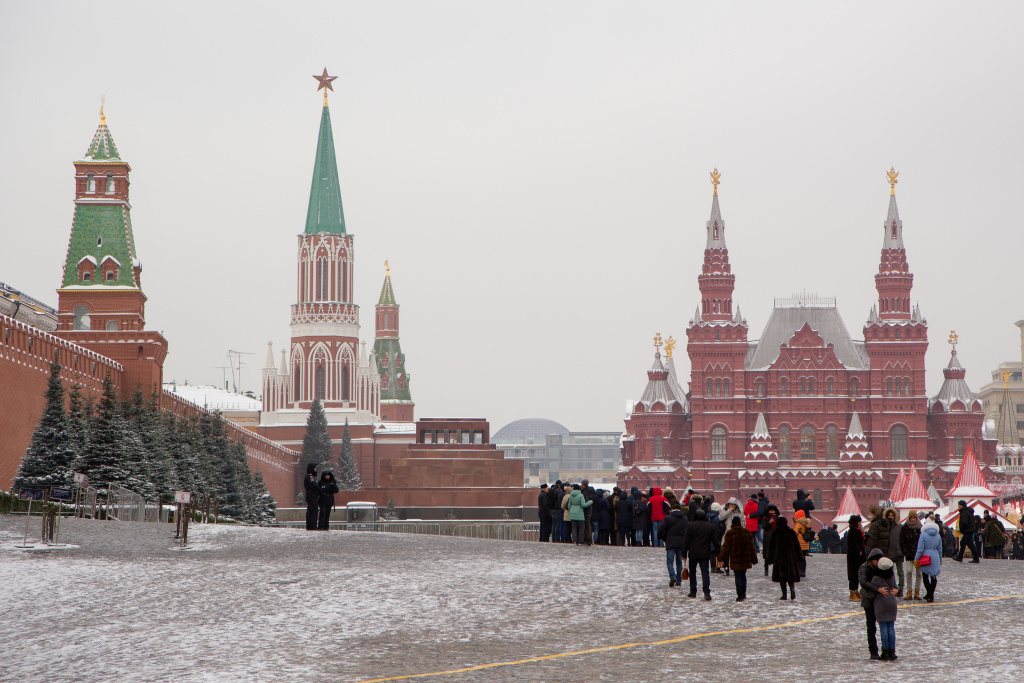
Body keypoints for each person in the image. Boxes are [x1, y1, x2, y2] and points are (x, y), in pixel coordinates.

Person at [718, 516, 757, 601]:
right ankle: (743, 593)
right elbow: (752, 546)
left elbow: (725, 547)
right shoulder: (747, 532)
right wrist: (754, 559)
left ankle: (740, 595)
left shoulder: (730, 533)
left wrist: (720, 557)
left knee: (738, 576)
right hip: (745, 558)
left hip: (736, 559)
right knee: (743, 576)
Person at [680, 508, 716, 600]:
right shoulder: (709, 526)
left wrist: (684, 553)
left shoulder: (690, 526)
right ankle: (706, 592)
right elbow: (715, 541)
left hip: (693, 553)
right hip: (705, 553)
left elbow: (686, 541)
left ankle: (693, 591)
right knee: (705, 573)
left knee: (692, 573)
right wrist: (718, 552)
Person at [858, 548, 886, 660]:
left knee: (883, 626)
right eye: (876, 560)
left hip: (879, 601)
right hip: (868, 600)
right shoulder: (864, 568)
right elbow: (863, 582)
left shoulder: (880, 568)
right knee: (871, 627)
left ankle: (886, 650)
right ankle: (873, 651)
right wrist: (877, 589)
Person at [871, 557, 899, 661]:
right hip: (892, 603)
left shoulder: (876, 578)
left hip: (881, 604)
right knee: (891, 628)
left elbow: (871, 591)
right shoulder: (891, 576)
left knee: (883, 628)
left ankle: (885, 652)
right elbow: (896, 588)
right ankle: (892, 651)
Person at [767, 516, 802, 600]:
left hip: (780, 558)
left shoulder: (775, 532)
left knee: (782, 577)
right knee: (790, 576)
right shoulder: (791, 532)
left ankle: (784, 595)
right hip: (790, 557)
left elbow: (771, 547)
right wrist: (800, 556)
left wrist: (769, 559)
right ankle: (792, 591)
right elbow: (797, 545)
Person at [658, 504, 688, 587]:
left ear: (672, 509)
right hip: (681, 543)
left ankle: (672, 576)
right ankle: (679, 580)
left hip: (670, 542)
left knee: (670, 561)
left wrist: (661, 538)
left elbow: (661, 529)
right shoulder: (685, 519)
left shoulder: (668, 518)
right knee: (679, 562)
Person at [915, 519, 943, 602]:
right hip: (935, 557)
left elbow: (920, 549)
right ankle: (931, 594)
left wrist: (916, 559)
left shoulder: (923, 535)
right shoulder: (938, 536)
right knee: (933, 576)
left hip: (925, 556)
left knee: (925, 576)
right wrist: (940, 559)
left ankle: (929, 593)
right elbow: (940, 549)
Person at [900, 510, 923, 599]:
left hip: (918, 555)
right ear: (909, 518)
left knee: (919, 574)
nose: (913, 520)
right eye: (911, 518)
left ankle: (917, 592)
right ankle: (909, 591)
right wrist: (905, 552)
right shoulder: (905, 528)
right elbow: (902, 542)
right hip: (909, 554)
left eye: (914, 518)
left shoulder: (920, 527)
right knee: (909, 572)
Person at [883, 508, 905, 597]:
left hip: (898, 552)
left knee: (900, 572)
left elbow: (903, 539)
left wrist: (902, 549)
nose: (890, 517)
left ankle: (900, 589)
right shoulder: (885, 527)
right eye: (889, 515)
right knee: (889, 572)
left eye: (892, 515)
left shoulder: (899, 527)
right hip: (889, 553)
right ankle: (891, 588)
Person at [846, 515, 866, 601]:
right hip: (854, 557)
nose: (860, 524)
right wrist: (859, 551)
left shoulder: (857, 531)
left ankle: (855, 590)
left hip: (858, 557)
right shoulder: (853, 532)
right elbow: (853, 545)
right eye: (858, 522)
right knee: (853, 575)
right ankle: (852, 592)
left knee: (857, 574)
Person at [761, 504, 780, 577]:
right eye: (770, 511)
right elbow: (764, 526)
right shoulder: (765, 518)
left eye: (773, 511)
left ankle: (775, 569)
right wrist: (769, 522)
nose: (772, 512)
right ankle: (766, 570)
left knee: (775, 554)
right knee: (766, 554)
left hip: (775, 538)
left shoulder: (777, 518)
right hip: (767, 538)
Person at [303, 463, 320, 531]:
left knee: (310, 511)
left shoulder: (308, 476)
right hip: (312, 495)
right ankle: (313, 527)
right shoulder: (310, 476)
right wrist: (320, 490)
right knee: (314, 511)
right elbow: (314, 485)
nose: (315, 469)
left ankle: (309, 527)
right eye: (314, 468)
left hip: (309, 495)